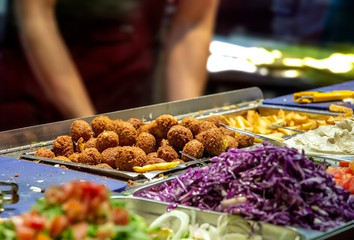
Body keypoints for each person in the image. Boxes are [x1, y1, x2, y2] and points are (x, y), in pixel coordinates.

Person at [0, 0, 219, 131]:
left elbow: (192, 24)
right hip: (40, 92)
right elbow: (36, 17)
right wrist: (92, 127)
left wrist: (184, 121)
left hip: (129, 82)